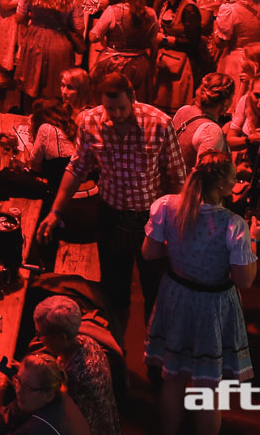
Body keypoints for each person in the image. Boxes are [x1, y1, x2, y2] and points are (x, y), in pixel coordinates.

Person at [43, 72, 188, 329]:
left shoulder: (159, 123)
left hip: (151, 219)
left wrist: (172, 223)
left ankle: (154, 344)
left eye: (121, 108)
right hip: (111, 216)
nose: (116, 115)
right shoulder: (90, 122)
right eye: (110, 109)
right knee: (113, 290)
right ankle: (115, 341)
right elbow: (77, 169)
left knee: (155, 288)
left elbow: (177, 178)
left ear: (132, 97)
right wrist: (55, 211)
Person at [141, 152, 258, 435]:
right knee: (208, 387)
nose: (236, 183)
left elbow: (149, 252)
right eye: (234, 178)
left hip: (177, 295)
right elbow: (244, 280)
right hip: (212, 305)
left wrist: (182, 250)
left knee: (173, 378)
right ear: (221, 185)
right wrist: (255, 240)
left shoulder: (167, 206)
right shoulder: (234, 225)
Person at [29, 296, 117, 435]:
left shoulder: (75, 376)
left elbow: (58, 414)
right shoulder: (87, 341)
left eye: (40, 334)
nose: (39, 339)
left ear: (62, 338)